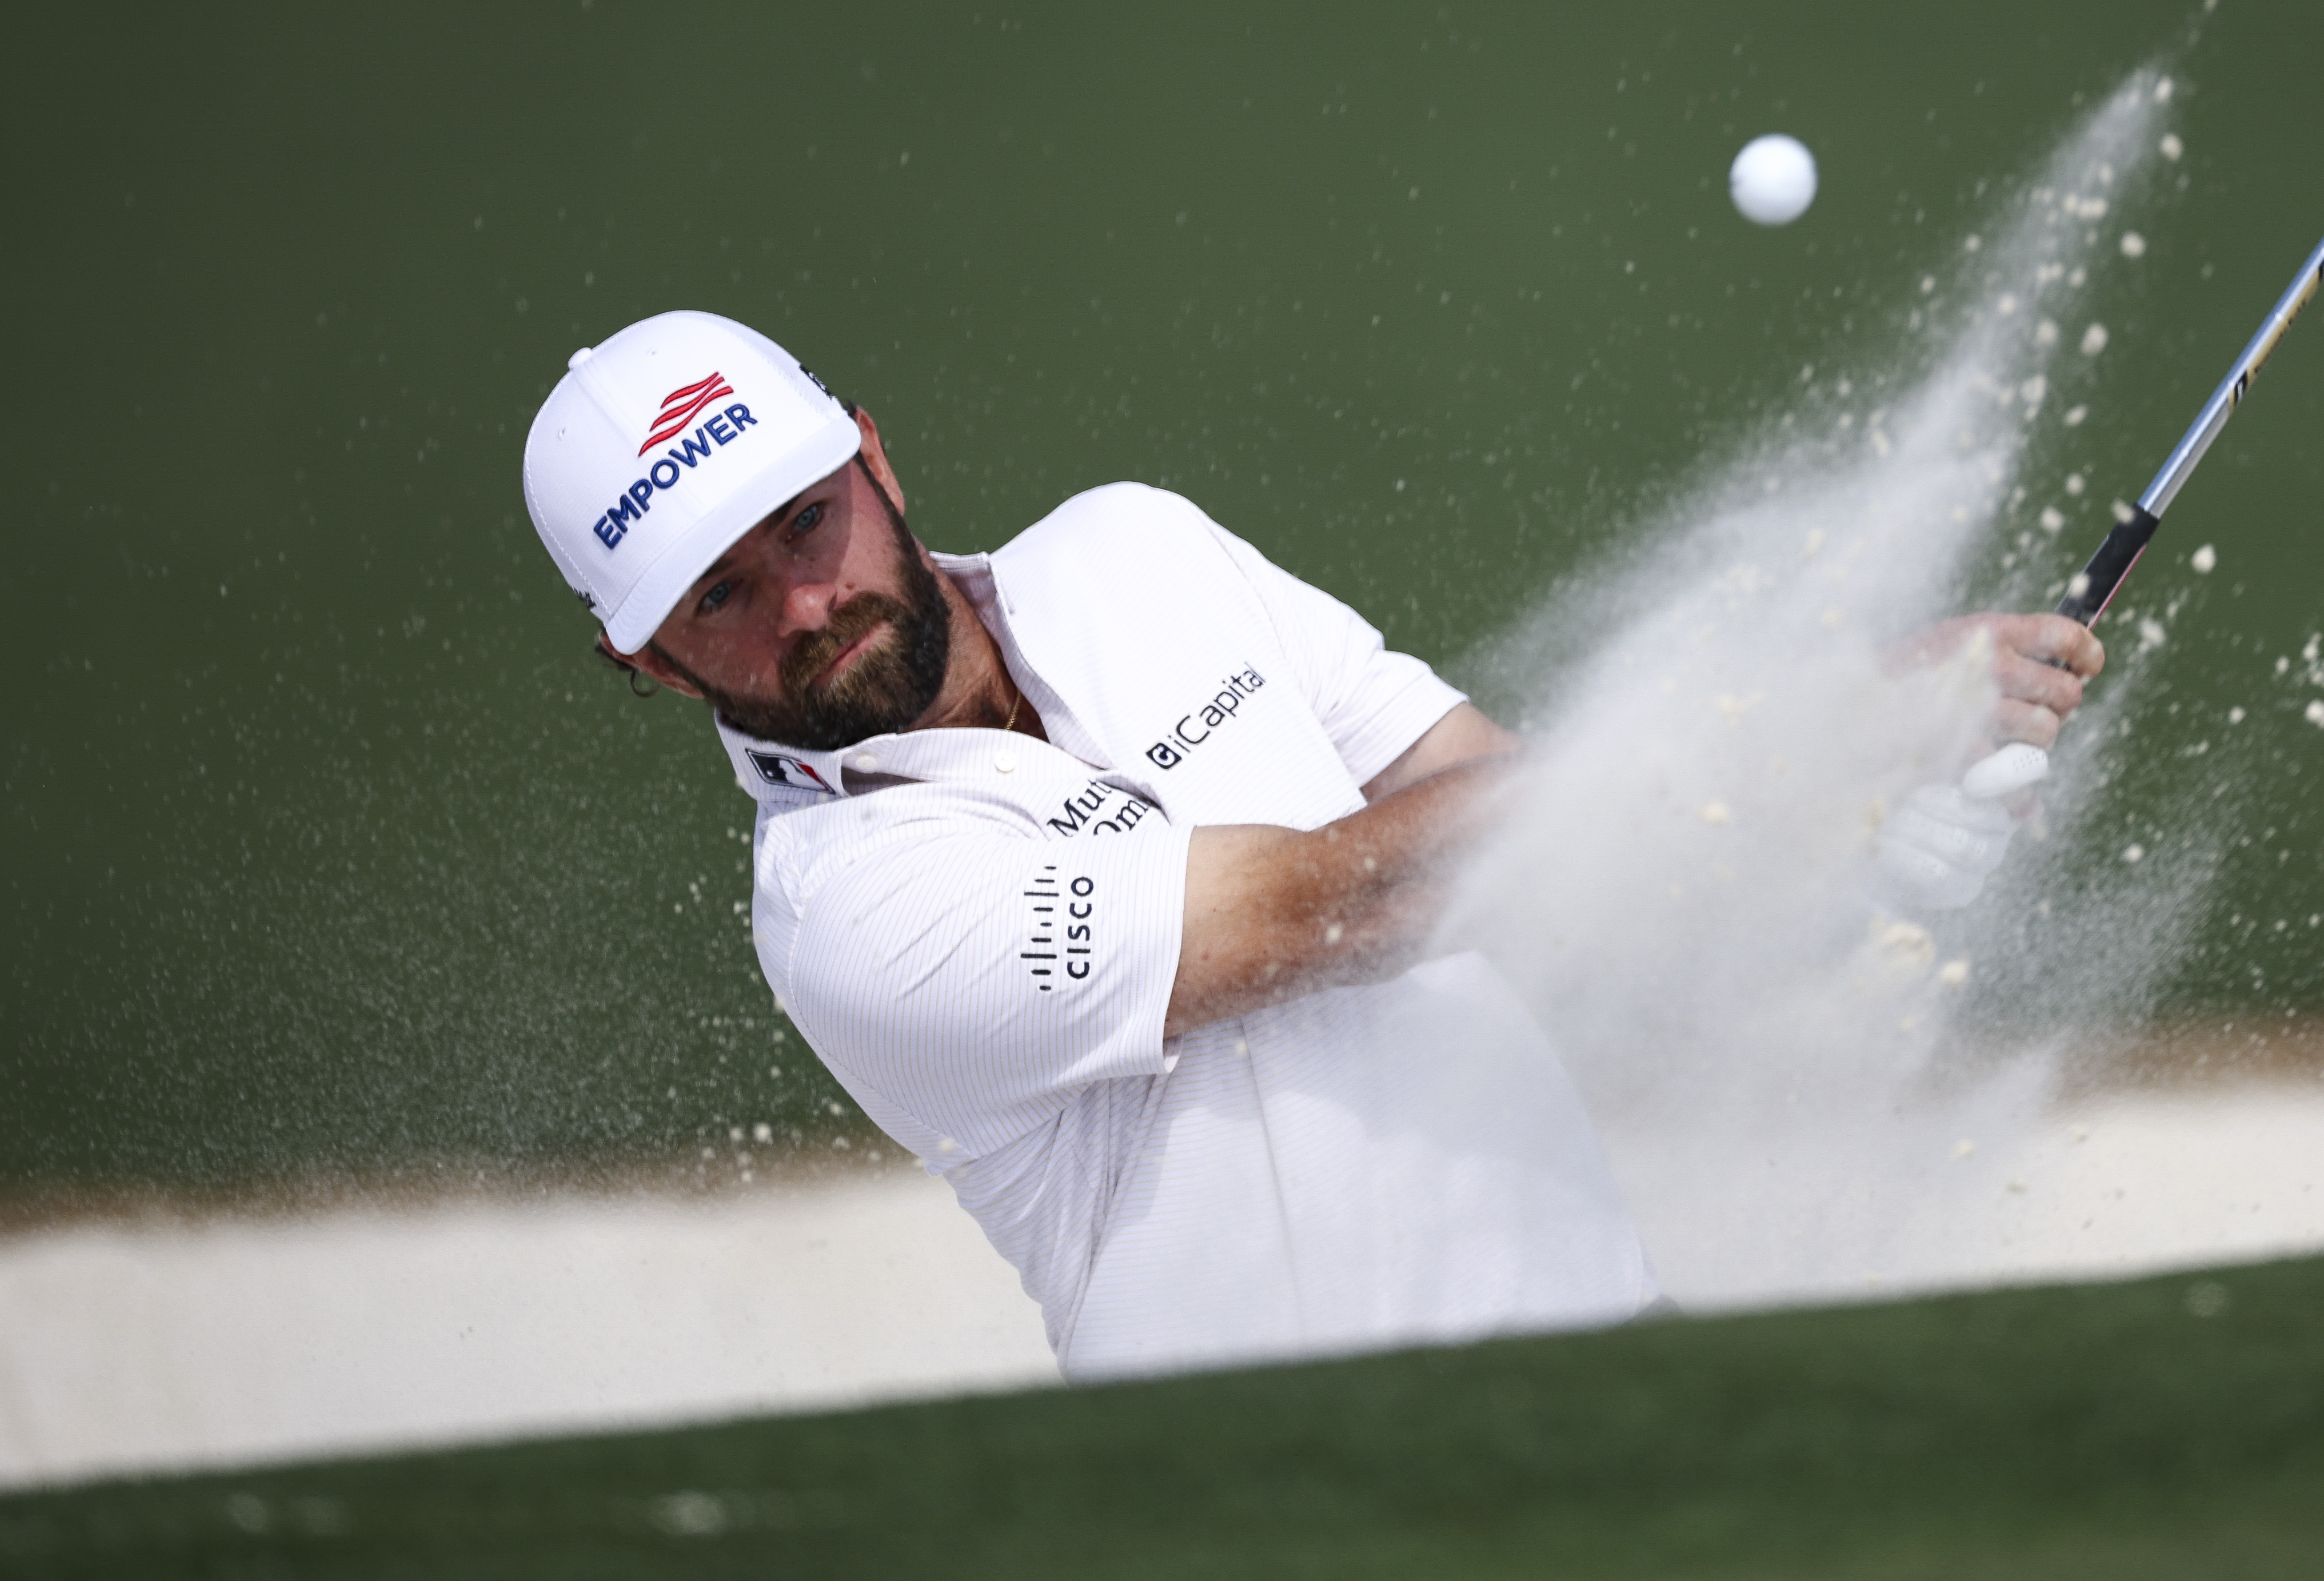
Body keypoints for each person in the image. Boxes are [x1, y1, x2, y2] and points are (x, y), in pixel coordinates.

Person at [521, 308, 2102, 1379]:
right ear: (645, 661)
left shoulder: (1135, 547)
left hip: (1606, 1364)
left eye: (807, 521)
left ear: (873, 453)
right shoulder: (848, 914)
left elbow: (1531, 825)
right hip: (1288, 1507)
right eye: (719, 593)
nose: (809, 602)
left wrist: (1836, 844)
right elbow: (1332, 901)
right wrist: (1805, 732)